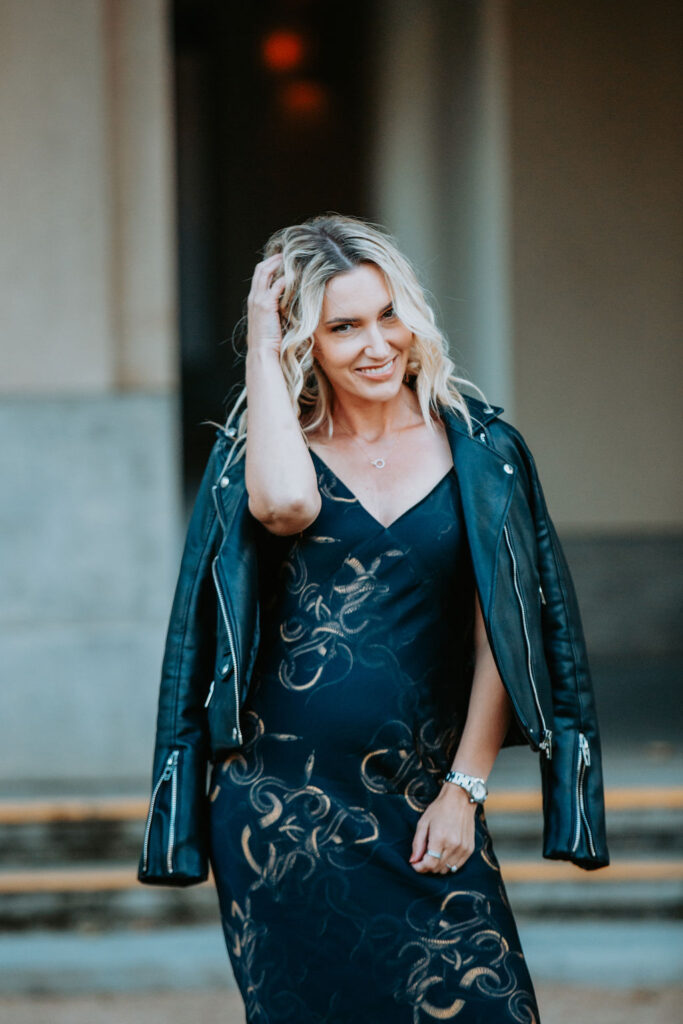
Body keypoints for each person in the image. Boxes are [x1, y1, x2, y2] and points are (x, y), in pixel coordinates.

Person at [138, 213, 609, 1023]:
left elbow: (502, 633)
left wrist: (465, 788)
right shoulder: (264, 453)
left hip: (424, 798)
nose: (377, 343)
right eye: (343, 326)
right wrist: (259, 333)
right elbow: (285, 506)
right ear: (304, 343)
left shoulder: (480, 449)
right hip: (281, 815)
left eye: (388, 315)